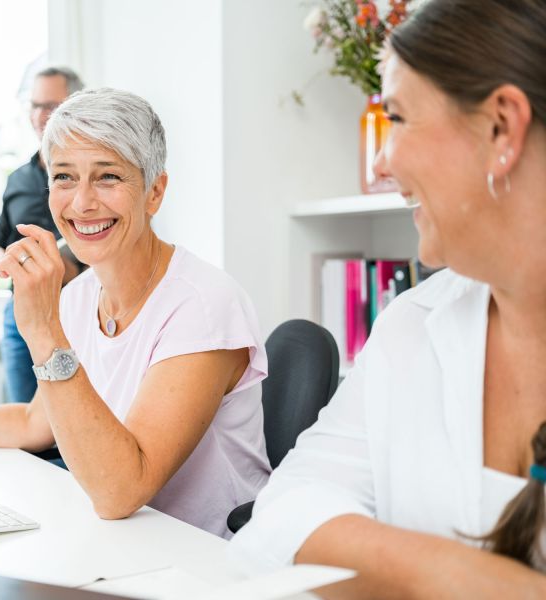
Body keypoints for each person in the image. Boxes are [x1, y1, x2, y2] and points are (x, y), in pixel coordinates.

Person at [230, 0, 546, 596]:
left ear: (502, 127)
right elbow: (280, 515)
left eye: (396, 117)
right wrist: (468, 578)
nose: (381, 160)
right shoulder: (413, 324)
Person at [0, 88, 271, 538]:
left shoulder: (202, 304)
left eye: (107, 177)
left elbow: (120, 491)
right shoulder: (81, 295)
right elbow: (33, 422)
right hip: (122, 544)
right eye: (64, 177)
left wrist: (43, 330)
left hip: (204, 560)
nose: (81, 203)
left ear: (154, 191)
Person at [0, 66, 85, 404]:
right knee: (25, 420)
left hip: (73, 312)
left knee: (71, 422)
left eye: (52, 106)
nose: (41, 116)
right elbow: (1, 238)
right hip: (17, 313)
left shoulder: (90, 179)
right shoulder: (18, 180)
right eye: (36, 106)